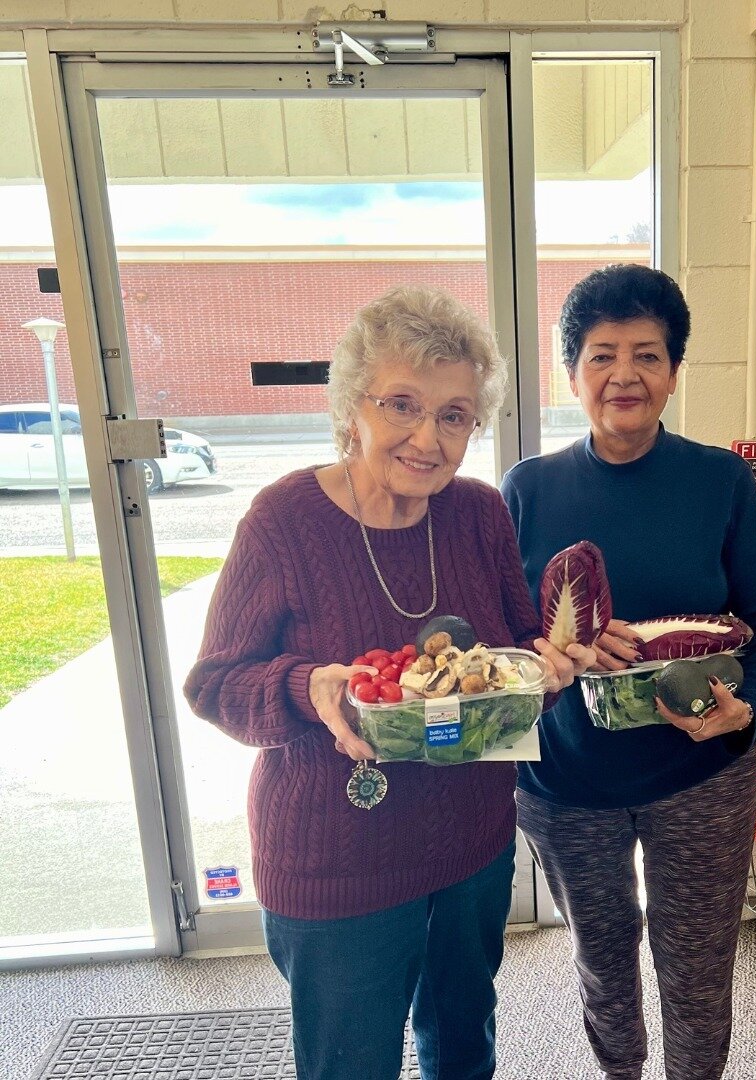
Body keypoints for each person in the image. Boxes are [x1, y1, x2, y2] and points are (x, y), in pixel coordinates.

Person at [184, 285, 593, 1080]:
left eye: (453, 415)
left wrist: (548, 673)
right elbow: (214, 684)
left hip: (470, 843)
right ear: (352, 408)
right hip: (338, 854)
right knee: (350, 1063)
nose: (426, 437)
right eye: (401, 404)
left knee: (463, 1045)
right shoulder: (284, 521)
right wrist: (308, 690)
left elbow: (513, 660)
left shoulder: (478, 513)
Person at [500, 263, 756, 1080]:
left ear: (673, 372)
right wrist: (548, 653)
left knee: (698, 969)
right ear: (572, 374)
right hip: (567, 779)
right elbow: (500, 649)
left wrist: (749, 707)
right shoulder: (527, 489)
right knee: (603, 963)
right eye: (601, 355)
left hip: (701, 770)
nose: (623, 374)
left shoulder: (719, 482)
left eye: (646, 354)